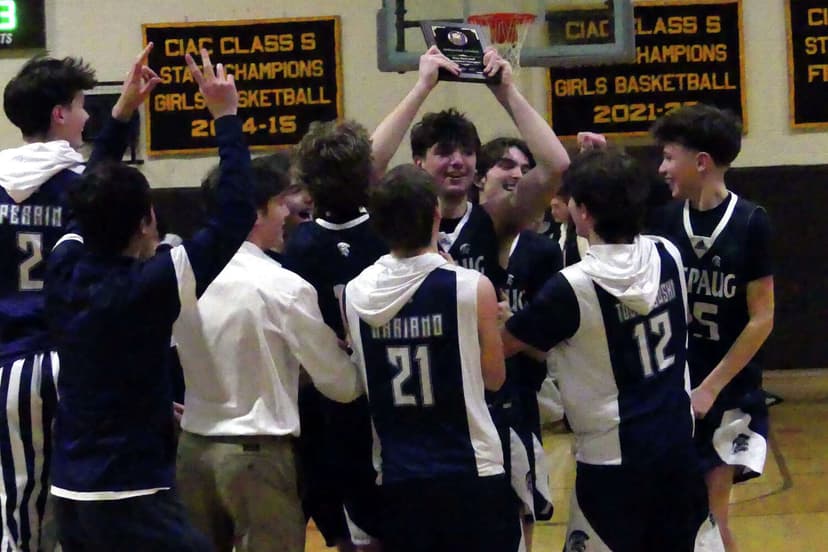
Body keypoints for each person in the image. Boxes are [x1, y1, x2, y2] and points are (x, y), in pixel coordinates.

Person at [43, 48, 247, 551]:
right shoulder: (153, 283)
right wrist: (226, 117)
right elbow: (237, 212)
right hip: (131, 495)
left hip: (69, 492)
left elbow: (90, 186)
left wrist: (121, 114)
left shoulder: (64, 263)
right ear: (143, 226)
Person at [501, 148, 723, 551]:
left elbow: (505, 346)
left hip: (612, 462)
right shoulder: (667, 253)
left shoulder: (572, 287)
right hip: (676, 448)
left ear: (583, 212)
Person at [0, 44, 159, 552]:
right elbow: (101, 177)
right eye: (81, 105)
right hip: (70, 361)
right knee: (84, 504)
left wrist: (121, 112)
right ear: (60, 113)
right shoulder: (79, 185)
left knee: (17, 505)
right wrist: (125, 112)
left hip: (8, 365)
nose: (88, 116)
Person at [173, 149, 362, 552]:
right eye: (279, 203)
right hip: (257, 456)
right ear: (254, 213)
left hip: (191, 451)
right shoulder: (283, 286)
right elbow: (342, 385)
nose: (286, 214)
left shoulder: (178, 274)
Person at [343, 163, 522, 552]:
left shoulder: (354, 294)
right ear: (435, 216)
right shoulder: (470, 286)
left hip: (398, 476)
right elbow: (495, 379)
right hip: (470, 469)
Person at [649, 104, 774, 552]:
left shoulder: (750, 221)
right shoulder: (664, 221)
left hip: (728, 395)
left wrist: (711, 387)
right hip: (674, 389)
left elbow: (762, 317)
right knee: (690, 517)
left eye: (668, 157)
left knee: (710, 515)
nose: (662, 168)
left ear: (700, 162)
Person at [371, 46, 569, 288]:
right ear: (418, 162)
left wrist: (506, 91)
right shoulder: (400, 219)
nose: (457, 161)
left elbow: (556, 166)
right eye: (444, 152)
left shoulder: (496, 218)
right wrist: (421, 87)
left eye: (467, 152)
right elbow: (368, 166)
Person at [283, 119, 388, 551]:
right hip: (386, 399)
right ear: (369, 174)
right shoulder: (389, 232)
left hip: (334, 404)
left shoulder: (299, 246)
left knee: (350, 530)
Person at [475, 137, 563, 550]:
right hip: (471, 405)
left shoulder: (543, 252)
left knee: (522, 513)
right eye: (504, 164)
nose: (515, 173)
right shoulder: (461, 240)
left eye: (523, 166)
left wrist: (516, 329)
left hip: (522, 402)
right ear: (480, 177)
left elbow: (552, 346)